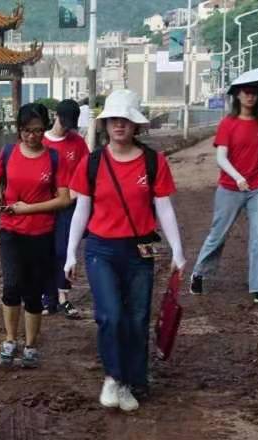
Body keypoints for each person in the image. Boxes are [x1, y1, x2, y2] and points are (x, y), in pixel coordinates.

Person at [64, 89, 186, 412]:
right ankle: (113, 377)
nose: (119, 125)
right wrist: (70, 252)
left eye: (126, 120)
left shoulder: (153, 162)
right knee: (111, 315)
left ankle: (132, 380)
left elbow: (165, 208)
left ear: (136, 125)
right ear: (106, 124)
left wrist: (177, 249)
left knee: (137, 318)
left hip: (140, 251)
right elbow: (81, 210)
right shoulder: (92, 163)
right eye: (114, 120)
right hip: (101, 250)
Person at [189, 84, 258, 306]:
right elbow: (221, 158)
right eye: (246, 92)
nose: (250, 96)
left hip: (257, 187)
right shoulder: (228, 123)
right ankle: (199, 273)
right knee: (218, 235)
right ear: (238, 95)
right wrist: (238, 178)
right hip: (230, 188)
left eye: (254, 93)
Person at [0, 102, 71, 369]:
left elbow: (63, 199)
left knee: (34, 291)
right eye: (26, 130)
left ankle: (31, 345)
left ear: (45, 128)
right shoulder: (8, 152)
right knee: (11, 285)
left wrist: (28, 209)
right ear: (19, 130)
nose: (32, 136)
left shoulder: (54, 158)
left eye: (37, 130)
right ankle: (10, 340)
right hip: (10, 231)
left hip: (41, 233)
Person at [42, 98, 90, 318]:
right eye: (64, 122)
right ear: (56, 117)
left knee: (64, 250)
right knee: (45, 250)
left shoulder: (77, 143)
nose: (66, 128)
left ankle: (63, 296)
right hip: (44, 205)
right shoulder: (42, 141)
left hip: (69, 205)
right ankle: (47, 295)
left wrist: (74, 194)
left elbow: (86, 171)